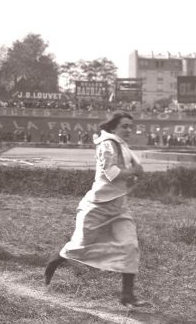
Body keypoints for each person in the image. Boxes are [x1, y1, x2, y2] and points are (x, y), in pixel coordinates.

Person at [45, 112, 149, 308]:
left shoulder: (124, 146)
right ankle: (55, 260)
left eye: (130, 126)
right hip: (98, 205)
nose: (128, 130)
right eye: (124, 126)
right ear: (113, 127)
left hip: (119, 206)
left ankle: (127, 296)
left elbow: (129, 172)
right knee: (81, 245)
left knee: (130, 246)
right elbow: (111, 174)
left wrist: (136, 175)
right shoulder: (106, 144)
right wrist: (134, 172)